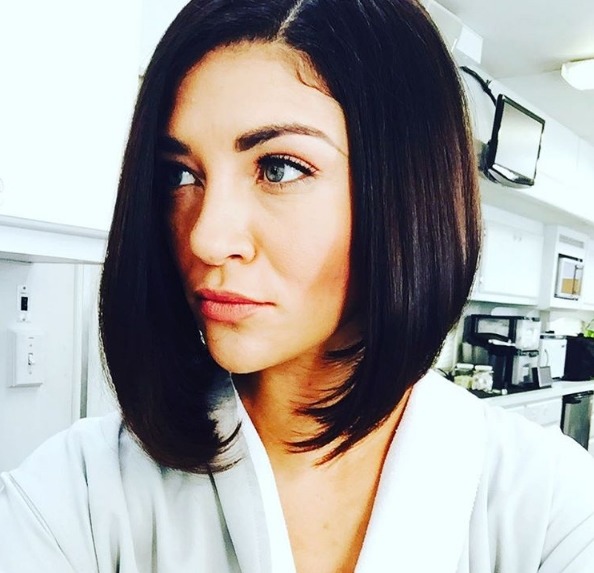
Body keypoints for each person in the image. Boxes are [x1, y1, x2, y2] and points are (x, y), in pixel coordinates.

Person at [1, 0, 594, 571]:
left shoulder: (549, 506)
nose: (206, 237)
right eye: (181, 175)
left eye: (278, 168)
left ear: (406, 193)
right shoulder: (76, 492)